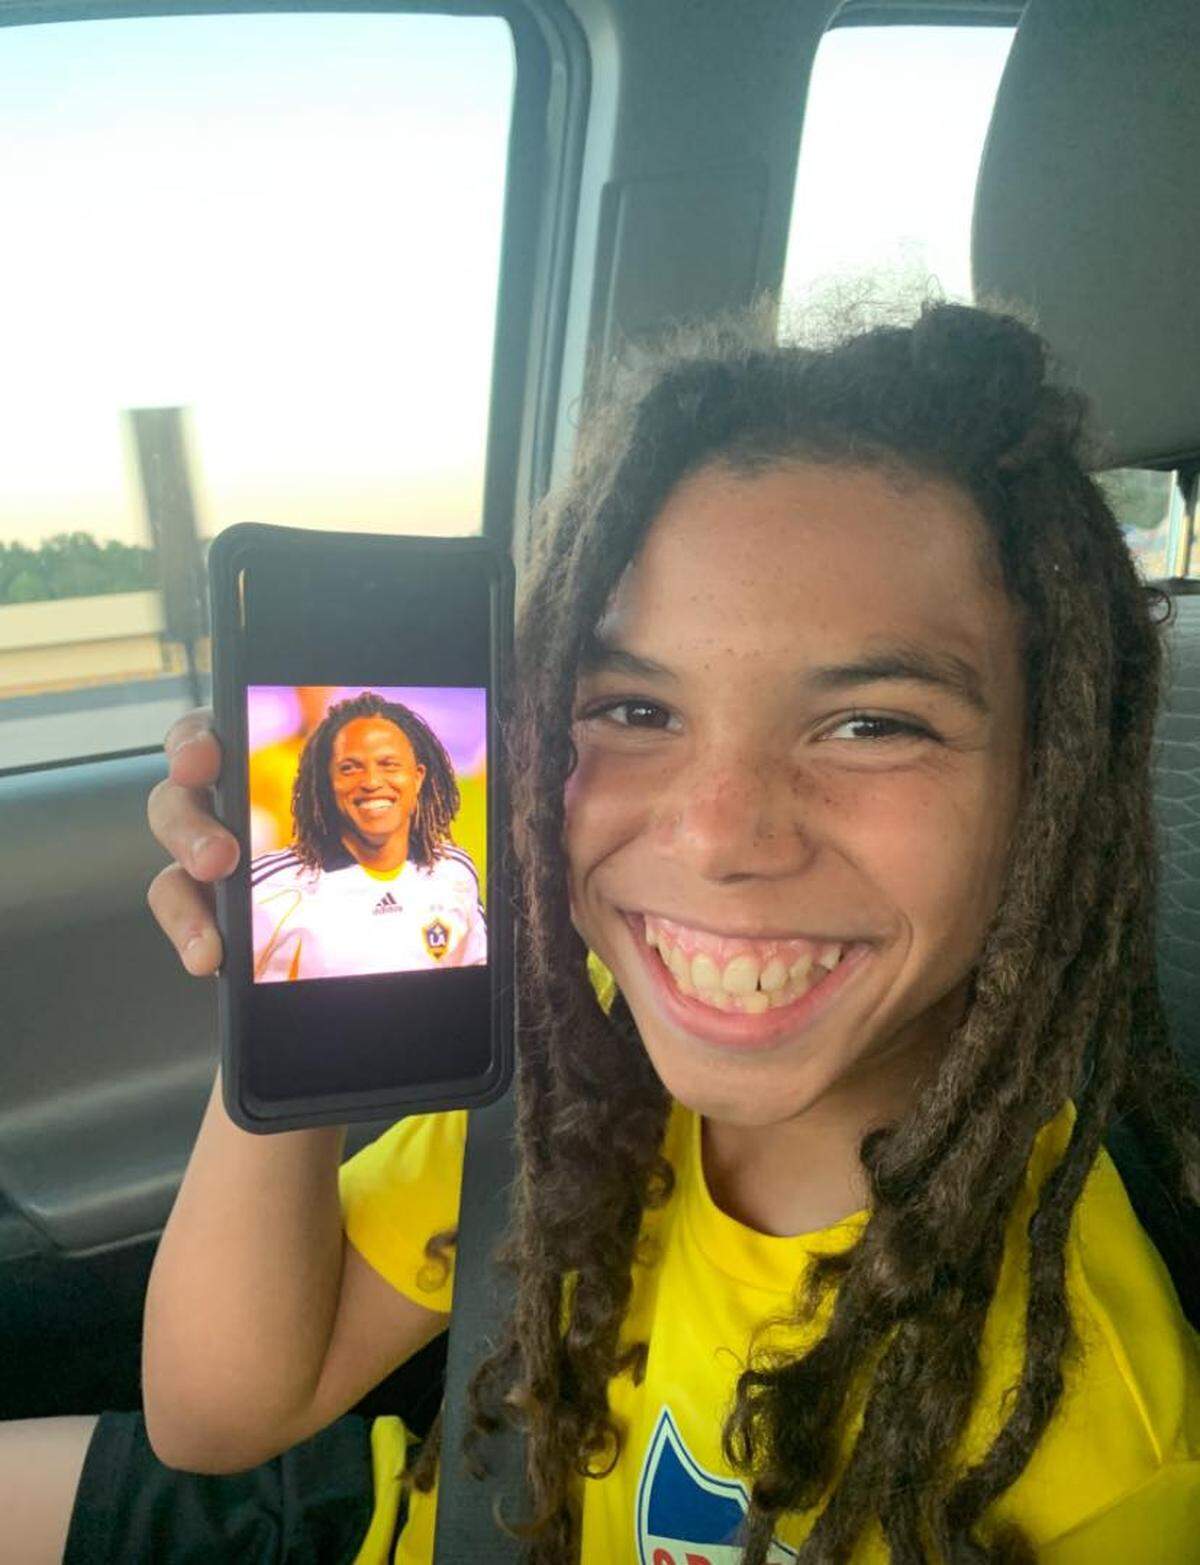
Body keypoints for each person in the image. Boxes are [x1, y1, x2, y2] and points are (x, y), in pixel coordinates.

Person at [3, 303, 1198, 1564]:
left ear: (1051, 786)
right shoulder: (570, 1078)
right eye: (631, 705)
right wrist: (285, 977)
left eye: (870, 723)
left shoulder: (1101, 1453)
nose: (719, 831)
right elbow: (215, 1412)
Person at [250, 691, 487, 979]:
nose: (372, 782)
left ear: (418, 777)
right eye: (350, 768)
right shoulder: (266, 890)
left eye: (389, 764)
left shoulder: (455, 872)